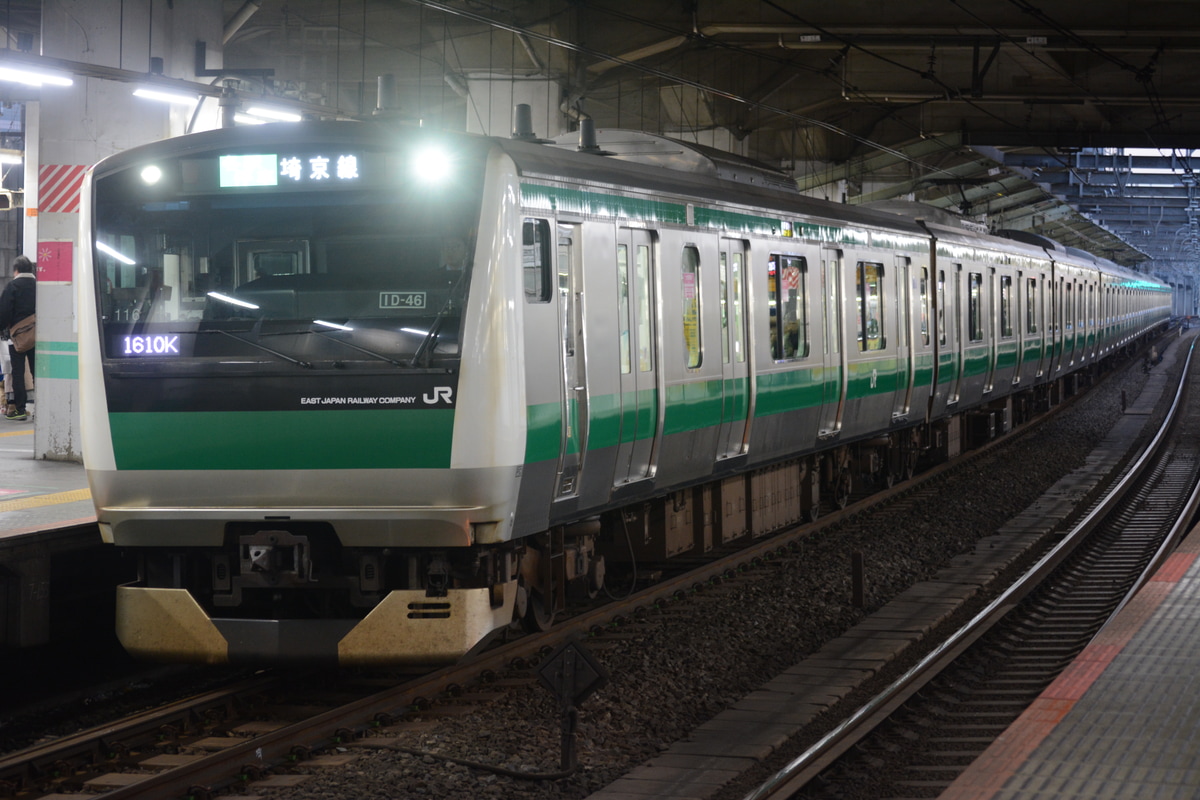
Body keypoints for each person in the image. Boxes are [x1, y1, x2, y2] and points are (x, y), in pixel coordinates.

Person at [0, 255, 35, 420]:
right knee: (38, 373)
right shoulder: (39, 286)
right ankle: (41, 409)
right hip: (38, 336)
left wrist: (2, 329)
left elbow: (4, 312)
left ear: (16, 270)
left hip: (17, 338)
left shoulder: (12, 286)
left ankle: (20, 409)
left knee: (18, 372)